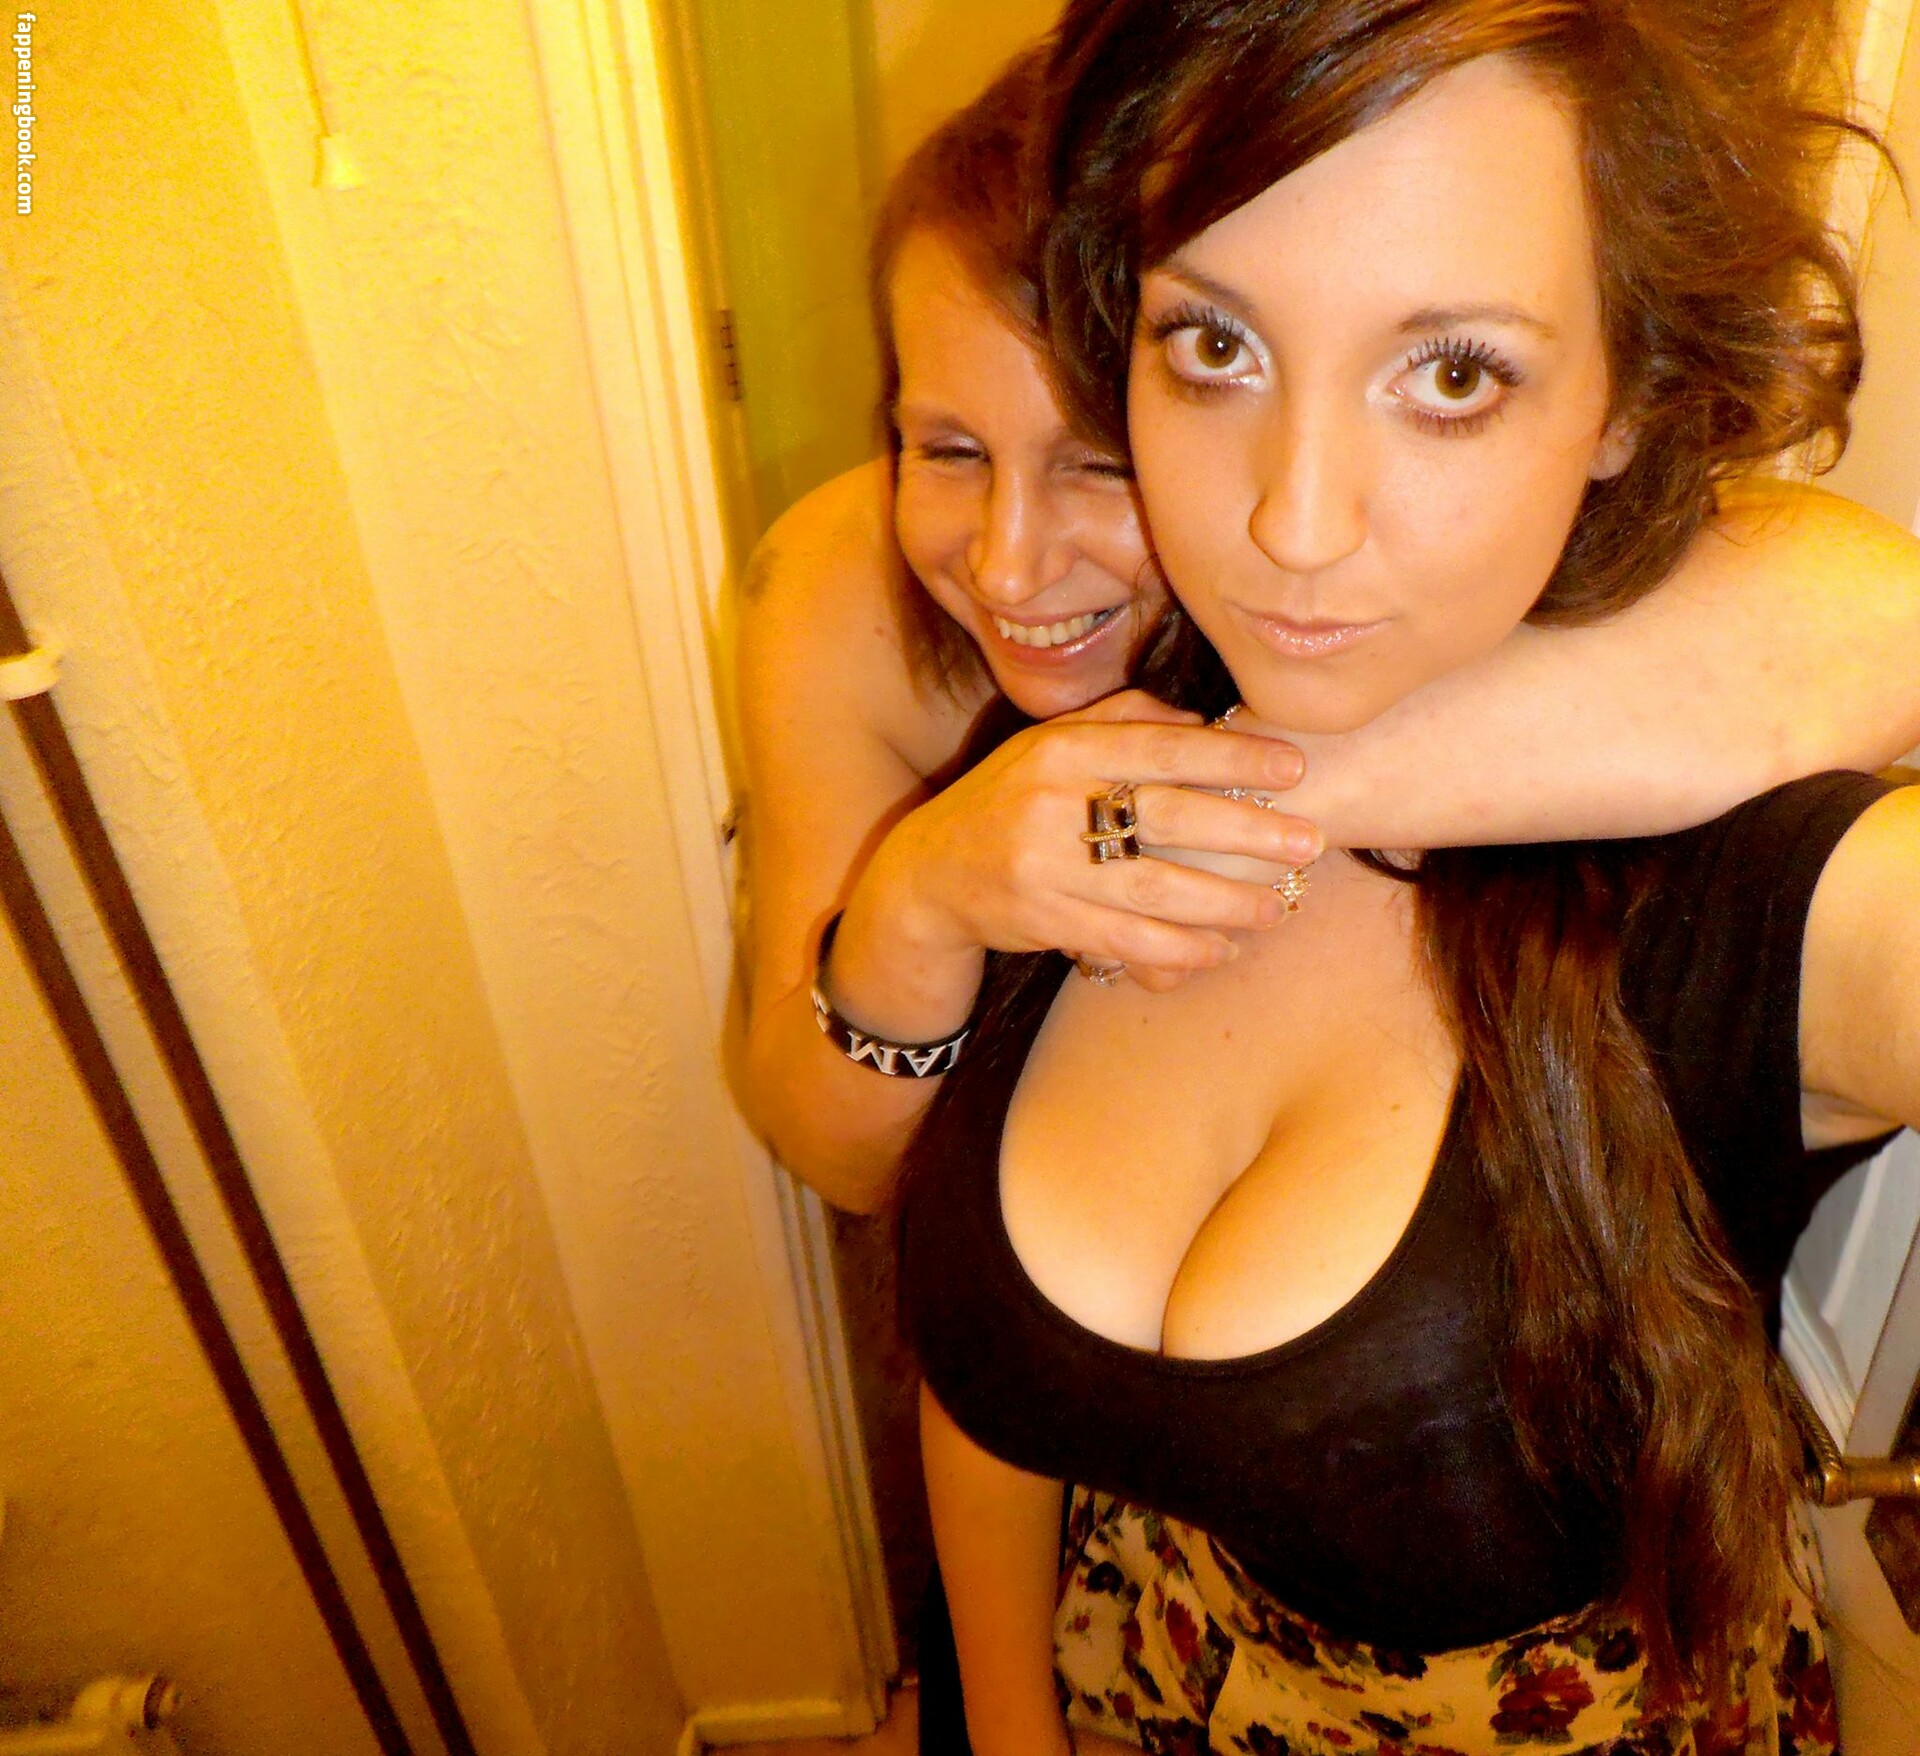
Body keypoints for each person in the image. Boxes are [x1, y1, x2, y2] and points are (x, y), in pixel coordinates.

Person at [900, 3, 1919, 1750]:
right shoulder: (1107, 727)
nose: (1292, 525)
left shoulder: (1747, 893)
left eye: (1452, 375)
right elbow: (982, 1365)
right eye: (1214, 344)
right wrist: (1004, 1722)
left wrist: (1319, 786)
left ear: (1628, 395)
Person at [734, 49, 1920, 1221]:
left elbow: (1875, 615)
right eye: (948, 450)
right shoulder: (852, 593)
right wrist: (920, 900)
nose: (1008, 564)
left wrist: (1246, 794)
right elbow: (838, 1152)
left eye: (1097, 466)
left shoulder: (1640, 796)